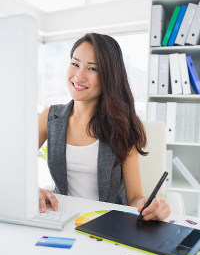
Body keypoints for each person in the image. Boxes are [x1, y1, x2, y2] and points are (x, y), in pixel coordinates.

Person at [39, 33, 170, 221]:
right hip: (61, 219)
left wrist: (148, 205)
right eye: (75, 64)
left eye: (92, 69)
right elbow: (12, 167)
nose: (79, 76)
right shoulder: (50, 117)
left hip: (109, 224)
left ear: (109, 76)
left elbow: (135, 197)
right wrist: (29, 191)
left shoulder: (122, 125)